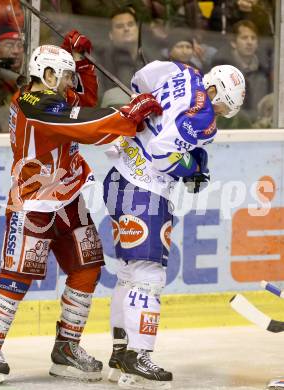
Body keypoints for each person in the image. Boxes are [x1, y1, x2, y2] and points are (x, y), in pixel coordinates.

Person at [0, 29, 162, 384]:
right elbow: (87, 125)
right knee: (17, 277)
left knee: (88, 266)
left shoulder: (51, 95)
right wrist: (129, 114)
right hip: (33, 204)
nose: (68, 84)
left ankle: (66, 348)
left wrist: (80, 63)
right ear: (46, 75)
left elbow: (84, 103)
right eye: (63, 77)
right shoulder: (35, 103)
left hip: (68, 199)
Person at [103, 62, 246, 388]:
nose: (220, 114)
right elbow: (161, 153)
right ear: (220, 95)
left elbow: (139, 78)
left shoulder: (185, 71)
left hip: (118, 176)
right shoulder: (205, 120)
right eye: (224, 108)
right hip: (145, 190)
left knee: (129, 273)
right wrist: (191, 167)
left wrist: (144, 105)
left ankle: (121, 355)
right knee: (148, 275)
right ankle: (139, 357)